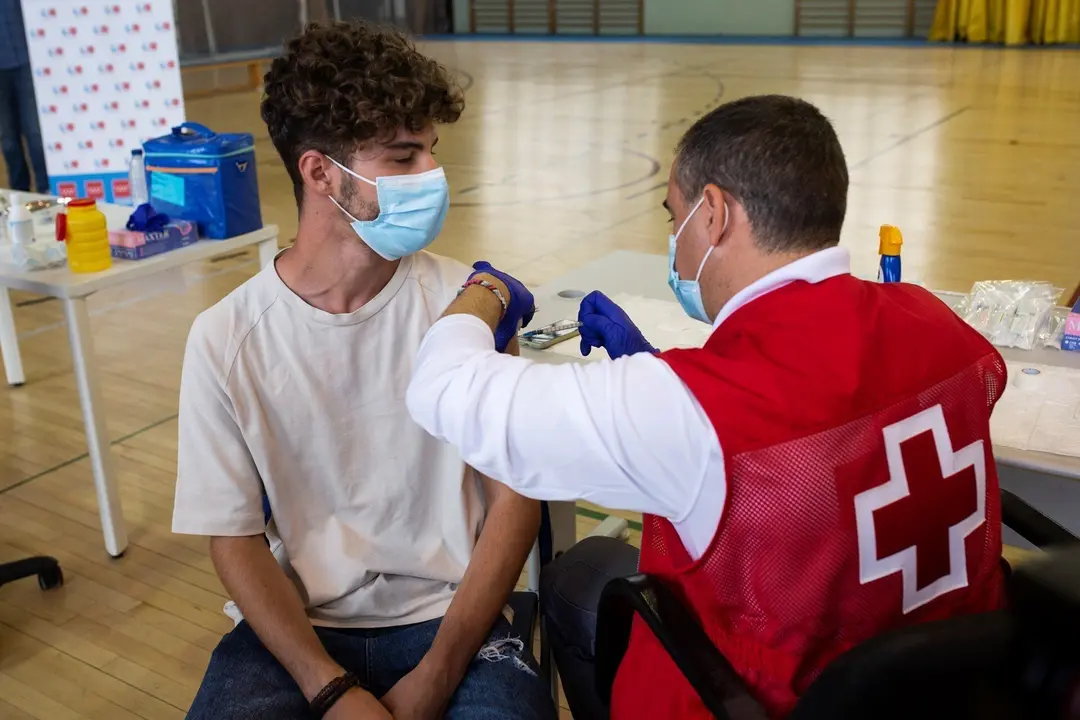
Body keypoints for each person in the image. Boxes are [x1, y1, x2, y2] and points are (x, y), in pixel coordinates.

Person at [406, 95, 1008, 718]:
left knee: (579, 573)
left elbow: (444, 387)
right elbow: (828, 417)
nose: (673, 239)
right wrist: (661, 372)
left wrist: (487, 290)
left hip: (769, 700)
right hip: (951, 685)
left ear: (714, 213)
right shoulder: (936, 321)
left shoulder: (694, 410)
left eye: (674, 218)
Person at [172, 21, 554, 720]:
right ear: (320, 172)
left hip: (451, 618)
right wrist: (328, 687)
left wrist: (440, 671)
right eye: (404, 158)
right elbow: (233, 539)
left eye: (432, 153)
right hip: (299, 629)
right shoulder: (225, 338)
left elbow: (515, 502)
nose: (431, 178)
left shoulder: (466, 306)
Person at [0, 0, 49, 193]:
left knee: (35, 133)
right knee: (8, 139)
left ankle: (46, 189)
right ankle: (19, 193)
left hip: (30, 62)